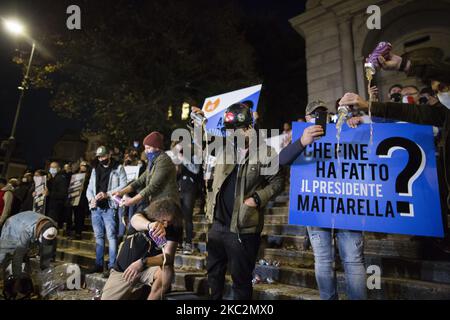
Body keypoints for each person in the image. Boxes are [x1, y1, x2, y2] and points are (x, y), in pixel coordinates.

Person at [338, 46, 450, 253]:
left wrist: (404, 64)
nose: (442, 94)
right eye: (437, 90)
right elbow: (409, 113)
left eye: (444, 86)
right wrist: (367, 106)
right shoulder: (442, 113)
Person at [193, 103, 285, 300]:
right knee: (214, 274)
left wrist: (257, 198)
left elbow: (277, 183)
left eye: (235, 130)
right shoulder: (225, 147)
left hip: (243, 229)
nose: (231, 134)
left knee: (241, 281)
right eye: (229, 131)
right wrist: (199, 122)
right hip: (218, 226)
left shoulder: (265, 152)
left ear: (248, 128)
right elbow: (202, 141)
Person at [279, 101, 367, 300]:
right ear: (307, 117)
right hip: (315, 207)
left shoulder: (345, 129)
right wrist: (302, 141)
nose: (319, 117)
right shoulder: (298, 136)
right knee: (323, 260)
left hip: (346, 204)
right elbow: (281, 161)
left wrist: (359, 122)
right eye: (314, 114)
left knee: (353, 260)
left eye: (323, 113)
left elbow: (373, 137)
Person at [101, 197, 182, 300]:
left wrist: (143, 262)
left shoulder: (174, 227)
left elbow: (168, 257)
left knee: (167, 269)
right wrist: (150, 225)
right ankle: (138, 293)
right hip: (124, 270)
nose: (166, 224)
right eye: (163, 221)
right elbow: (135, 220)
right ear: (157, 215)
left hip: (148, 269)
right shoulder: (145, 216)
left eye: (169, 222)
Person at [86, 146, 127, 276]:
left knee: (111, 236)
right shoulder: (95, 169)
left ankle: (112, 266)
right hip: (95, 208)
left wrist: (107, 194)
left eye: (103, 156)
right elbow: (89, 188)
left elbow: (124, 186)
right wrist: (91, 199)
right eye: (99, 157)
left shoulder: (118, 168)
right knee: (98, 236)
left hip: (109, 207)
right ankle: (98, 264)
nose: (101, 159)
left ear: (109, 155)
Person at [113, 132, 179, 208]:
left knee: (137, 217)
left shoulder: (164, 161)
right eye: (145, 148)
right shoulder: (153, 161)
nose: (146, 151)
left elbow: (153, 186)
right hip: (157, 203)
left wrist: (132, 200)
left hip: (167, 204)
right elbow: (140, 181)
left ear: (157, 147)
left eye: (148, 148)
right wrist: (120, 192)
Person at [0, 211, 57, 283]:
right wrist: (17, 278)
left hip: (28, 223)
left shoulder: (52, 226)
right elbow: (18, 257)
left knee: (26, 253)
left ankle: (23, 277)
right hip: (12, 226)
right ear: (40, 233)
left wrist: (45, 274)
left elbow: (47, 253)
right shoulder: (26, 230)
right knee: (3, 256)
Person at [173, 142, 202, 255]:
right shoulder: (177, 160)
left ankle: (188, 242)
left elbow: (195, 170)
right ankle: (178, 242)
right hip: (178, 189)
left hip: (189, 189)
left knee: (187, 216)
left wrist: (183, 158)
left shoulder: (194, 157)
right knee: (177, 217)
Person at [47, 162, 70, 229]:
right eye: (51, 167)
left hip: (57, 208)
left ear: (59, 168)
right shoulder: (53, 178)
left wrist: (49, 194)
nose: (52, 169)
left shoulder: (61, 178)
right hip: (52, 206)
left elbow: (63, 194)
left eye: (54, 167)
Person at [73, 162, 90, 240]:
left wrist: (84, 188)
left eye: (84, 166)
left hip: (83, 199)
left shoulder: (89, 176)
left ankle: (78, 233)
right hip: (75, 198)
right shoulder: (76, 175)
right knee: (76, 216)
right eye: (82, 166)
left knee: (80, 216)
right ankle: (76, 232)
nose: (83, 167)